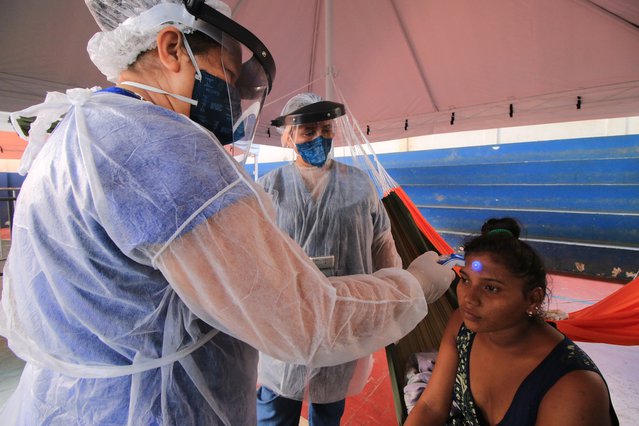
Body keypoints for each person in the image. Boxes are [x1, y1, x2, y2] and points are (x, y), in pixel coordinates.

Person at [0, 1, 456, 424]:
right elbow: (303, 320)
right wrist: (415, 286)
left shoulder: (79, 130)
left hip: (68, 405)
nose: (235, 97)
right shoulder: (168, 149)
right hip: (158, 407)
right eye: (228, 73)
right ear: (172, 46)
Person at [255, 93, 404, 425]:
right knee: (276, 407)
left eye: (325, 129)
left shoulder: (360, 186)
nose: (318, 138)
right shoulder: (269, 187)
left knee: (329, 405)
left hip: (342, 317)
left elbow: (382, 246)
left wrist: (394, 302)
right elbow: (254, 255)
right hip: (287, 321)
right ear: (288, 136)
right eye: (308, 131)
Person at [404, 218, 619, 426]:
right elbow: (431, 407)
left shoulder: (573, 390)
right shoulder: (462, 326)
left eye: (491, 288)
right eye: (466, 280)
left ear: (533, 299)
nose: (469, 298)